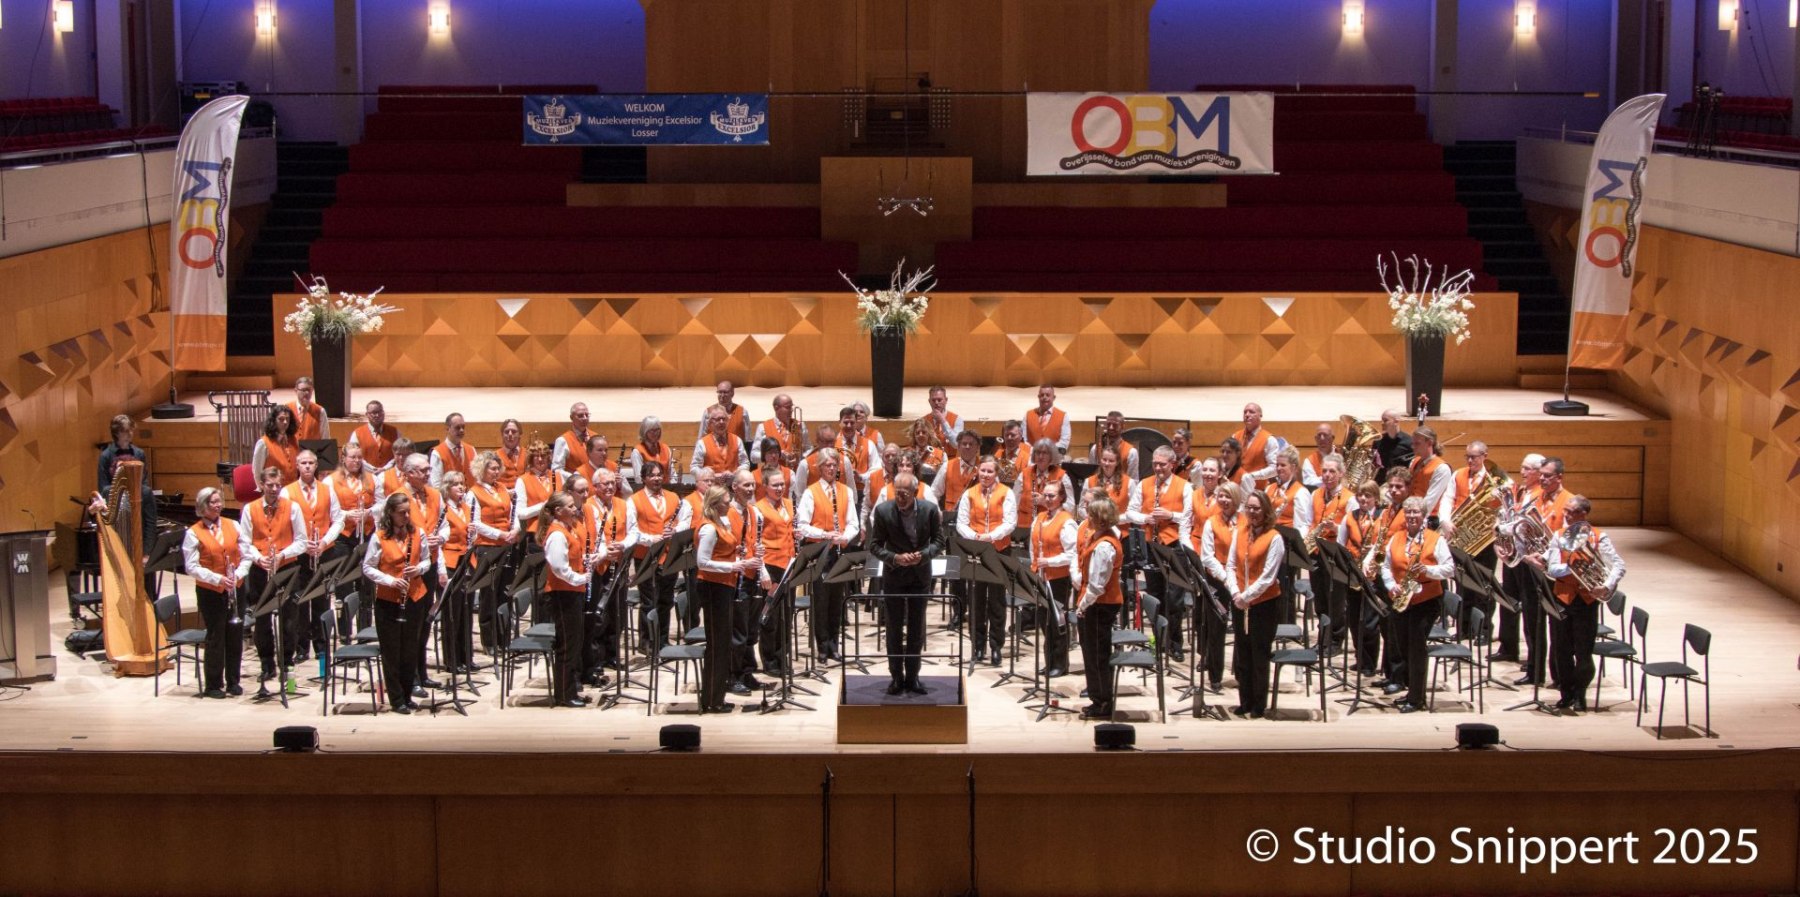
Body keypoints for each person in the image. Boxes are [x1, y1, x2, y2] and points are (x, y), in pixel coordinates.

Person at [867, 472, 946, 695]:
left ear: (915, 492)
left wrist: (924, 555)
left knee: (916, 627)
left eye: (905, 494)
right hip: (894, 575)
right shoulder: (883, 511)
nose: (900, 498)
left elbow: (939, 541)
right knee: (893, 628)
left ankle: (912, 677)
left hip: (920, 575)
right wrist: (894, 558)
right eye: (897, 493)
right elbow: (874, 546)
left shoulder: (930, 510)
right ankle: (896, 677)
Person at [1543, 495, 1625, 713]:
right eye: (1566, 511)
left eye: (1571, 512)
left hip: (1587, 601)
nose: (1566, 515)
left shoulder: (1599, 537)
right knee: (1561, 650)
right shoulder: (1558, 536)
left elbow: (1618, 565)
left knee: (1583, 652)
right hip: (1562, 599)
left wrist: (1606, 586)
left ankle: (1580, 694)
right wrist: (1576, 567)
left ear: (1583, 514)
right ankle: (1566, 693)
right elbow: (1552, 569)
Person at [362, 493, 440, 714]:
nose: (406, 516)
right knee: (392, 652)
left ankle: (407, 695)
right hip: (388, 600)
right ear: (390, 513)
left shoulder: (418, 533)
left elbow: (426, 560)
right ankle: (397, 700)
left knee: (410, 650)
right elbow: (367, 567)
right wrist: (390, 581)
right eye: (401, 513)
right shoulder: (379, 537)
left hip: (415, 597)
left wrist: (419, 569)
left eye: (408, 512)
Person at [1379, 496, 1454, 713]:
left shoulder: (1435, 539)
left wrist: (1427, 570)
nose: (1412, 516)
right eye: (1408, 512)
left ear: (1424, 515)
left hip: (1426, 600)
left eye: (1416, 512)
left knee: (1416, 647)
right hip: (1402, 599)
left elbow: (1449, 568)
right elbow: (1385, 566)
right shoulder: (1396, 537)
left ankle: (1417, 698)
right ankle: (1411, 690)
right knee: (1403, 646)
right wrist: (1391, 585)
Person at [239, 466, 308, 696]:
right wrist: (259, 558)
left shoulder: (292, 507)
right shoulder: (250, 509)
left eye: (278, 485)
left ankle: (287, 662)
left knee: (289, 618)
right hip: (260, 570)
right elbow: (245, 542)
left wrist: (282, 555)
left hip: (286, 568)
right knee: (262, 619)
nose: (275, 489)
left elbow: (302, 541)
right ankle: (266, 663)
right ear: (261, 485)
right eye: (270, 485)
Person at [182, 487, 253, 699]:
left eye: (219, 501)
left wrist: (237, 575)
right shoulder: (193, 533)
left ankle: (233, 681)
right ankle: (213, 684)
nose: (218, 505)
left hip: (236, 587)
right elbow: (191, 567)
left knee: (235, 635)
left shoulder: (234, 525)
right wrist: (218, 579)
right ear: (202, 506)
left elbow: (246, 555)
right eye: (213, 502)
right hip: (210, 592)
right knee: (216, 636)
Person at [1124, 446, 1194, 659]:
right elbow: (1131, 512)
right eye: (1155, 463)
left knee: (1174, 598)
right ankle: (1158, 641)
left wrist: (1170, 515)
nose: (1157, 468)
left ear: (1172, 464)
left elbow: (1190, 516)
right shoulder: (1145, 484)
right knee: (1155, 595)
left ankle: (1174, 643)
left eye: (1162, 464)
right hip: (1151, 546)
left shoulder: (1185, 486)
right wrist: (1146, 518)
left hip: (1174, 546)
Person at [694, 485, 759, 711]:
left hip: (723, 586)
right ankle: (711, 701)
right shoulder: (708, 529)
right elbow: (702, 562)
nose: (729, 504)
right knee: (717, 645)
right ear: (714, 504)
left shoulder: (721, 523)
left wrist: (740, 558)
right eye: (725, 501)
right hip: (712, 588)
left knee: (723, 644)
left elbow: (724, 552)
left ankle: (717, 697)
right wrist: (733, 566)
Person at [1226, 490, 1286, 718]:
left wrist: (1246, 597)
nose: (1251, 512)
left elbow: (1268, 577)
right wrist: (1235, 592)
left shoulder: (1275, 538)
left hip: (1264, 604)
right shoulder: (1240, 532)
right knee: (1242, 653)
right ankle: (1245, 701)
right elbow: (1231, 565)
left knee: (1259, 654)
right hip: (1240, 600)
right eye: (1249, 508)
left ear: (1266, 511)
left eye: (1256, 508)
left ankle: (1259, 705)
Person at [797, 449, 859, 661]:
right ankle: (822, 646)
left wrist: (844, 537)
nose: (831, 469)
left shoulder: (846, 491)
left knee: (836, 599)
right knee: (821, 600)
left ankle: (834, 644)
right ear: (819, 468)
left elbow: (853, 523)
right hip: (819, 552)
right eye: (827, 465)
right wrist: (825, 535)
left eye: (834, 465)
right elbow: (802, 526)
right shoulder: (810, 492)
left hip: (839, 551)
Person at [283, 449, 344, 663]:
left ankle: (321, 645)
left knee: (322, 599)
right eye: (303, 463)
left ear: (316, 465)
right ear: (297, 466)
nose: (307, 466)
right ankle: (302, 647)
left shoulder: (327, 490)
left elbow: (338, 520)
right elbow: (284, 524)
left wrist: (324, 542)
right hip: (300, 554)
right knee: (300, 601)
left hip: (324, 551)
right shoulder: (287, 492)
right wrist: (302, 545)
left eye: (311, 463)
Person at [955, 456, 1016, 665]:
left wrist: (991, 536)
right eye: (983, 470)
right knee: (976, 599)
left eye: (990, 471)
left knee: (997, 600)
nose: (986, 475)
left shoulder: (1006, 493)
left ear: (996, 473)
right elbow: (961, 523)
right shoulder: (969, 494)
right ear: (978, 471)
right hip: (976, 551)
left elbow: (1010, 522)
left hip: (999, 550)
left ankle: (996, 646)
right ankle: (978, 645)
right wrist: (975, 537)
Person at [579, 469, 636, 682]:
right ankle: (596, 659)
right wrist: (605, 552)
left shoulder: (623, 504)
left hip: (618, 563)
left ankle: (612, 655)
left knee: (616, 612)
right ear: (595, 487)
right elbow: (591, 535)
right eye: (605, 484)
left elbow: (634, 531)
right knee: (598, 615)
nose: (610, 487)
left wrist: (622, 545)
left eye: (613, 483)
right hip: (598, 566)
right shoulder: (587, 506)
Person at [539, 492, 594, 707]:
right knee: (567, 645)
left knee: (574, 643)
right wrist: (580, 578)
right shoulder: (556, 534)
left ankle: (571, 691)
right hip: (562, 594)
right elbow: (559, 568)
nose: (574, 509)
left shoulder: (568, 529)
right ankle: (564, 695)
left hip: (572, 591)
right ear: (558, 511)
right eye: (570, 506)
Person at [1073, 496, 1123, 719]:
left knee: (1097, 655)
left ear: (1100, 519)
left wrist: (1082, 606)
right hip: (1095, 604)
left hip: (1099, 605)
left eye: (1091, 514)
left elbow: (1097, 585)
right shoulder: (1098, 537)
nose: (1087, 517)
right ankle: (1097, 699)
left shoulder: (1104, 546)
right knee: (1091, 652)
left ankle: (1103, 703)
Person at [1494, 452, 1546, 663]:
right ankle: (1508, 648)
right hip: (1513, 554)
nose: (1522, 472)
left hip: (1529, 558)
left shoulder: (1541, 494)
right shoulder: (1522, 490)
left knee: (1530, 610)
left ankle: (1534, 661)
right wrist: (1499, 542)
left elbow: (1523, 524)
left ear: (1539, 472)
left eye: (1527, 469)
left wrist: (1502, 529)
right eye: (1522, 467)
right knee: (1508, 601)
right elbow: (1507, 514)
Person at [630, 460, 681, 660]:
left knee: (666, 600)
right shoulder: (634, 500)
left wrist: (675, 531)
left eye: (659, 474)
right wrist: (653, 539)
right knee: (649, 601)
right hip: (646, 556)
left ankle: (663, 639)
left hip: (669, 556)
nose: (657, 478)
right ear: (644, 478)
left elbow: (684, 521)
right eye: (652, 475)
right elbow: (633, 531)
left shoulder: (673, 497)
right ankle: (647, 642)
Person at [1027, 479, 1077, 678]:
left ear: (1061, 497)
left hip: (1059, 579)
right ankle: (1049, 661)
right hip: (1040, 577)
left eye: (1052, 496)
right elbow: (1033, 546)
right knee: (1044, 621)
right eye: (1045, 495)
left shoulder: (1067, 521)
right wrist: (1035, 566)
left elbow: (1072, 554)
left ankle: (1060, 663)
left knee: (1058, 622)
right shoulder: (1039, 517)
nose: (1047, 499)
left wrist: (1049, 561)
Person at [932, 429, 983, 628]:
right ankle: (958, 611)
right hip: (952, 526)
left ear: (978, 447)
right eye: (963, 444)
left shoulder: (984, 468)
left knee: (975, 572)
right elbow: (933, 493)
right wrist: (938, 512)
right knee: (956, 571)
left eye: (971, 444)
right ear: (958, 446)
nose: (967, 447)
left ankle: (976, 611)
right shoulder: (948, 466)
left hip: (976, 526)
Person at [1196, 482, 1244, 694]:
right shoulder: (1211, 522)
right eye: (1221, 496)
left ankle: (1241, 673)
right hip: (1217, 580)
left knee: (1242, 629)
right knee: (1216, 630)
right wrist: (1226, 578)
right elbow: (1207, 556)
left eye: (1228, 496)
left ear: (1237, 499)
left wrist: (1234, 580)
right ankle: (1215, 677)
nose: (1224, 500)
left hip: (1241, 581)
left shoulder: (1245, 522)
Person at [726, 470, 771, 694]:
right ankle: (732, 676)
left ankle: (745, 672)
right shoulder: (726, 514)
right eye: (746, 485)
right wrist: (742, 561)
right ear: (734, 487)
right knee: (738, 632)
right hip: (735, 579)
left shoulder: (754, 513)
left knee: (751, 630)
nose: (751, 489)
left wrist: (763, 571)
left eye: (753, 485)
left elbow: (756, 546)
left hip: (752, 577)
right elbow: (725, 549)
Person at [754, 465, 797, 673]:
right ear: (765, 486)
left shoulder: (789, 503)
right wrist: (762, 571)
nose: (780, 488)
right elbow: (755, 542)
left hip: (789, 565)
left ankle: (782, 658)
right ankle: (769, 661)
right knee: (770, 616)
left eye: (782, 484)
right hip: (771, 566)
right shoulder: (758, 509)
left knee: (786, 614)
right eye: (775, 485)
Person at [1014, 438, 1075, 533]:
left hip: (1052, 527)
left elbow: (1070, 507)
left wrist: (1045, 502)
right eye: (1038, 453)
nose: (1040, 456)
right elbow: (1014, 503)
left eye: (1045, 453)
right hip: (1024, 528)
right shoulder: (1024, 474)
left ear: (1051, 456)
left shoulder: (1062, 476)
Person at [513, 437, 564, 535]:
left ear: (548, 457)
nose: (540, 459)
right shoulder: (522, 480)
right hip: (536, 532)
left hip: (559, 529)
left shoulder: (558, 476)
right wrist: (544, 506)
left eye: (543, 455)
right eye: (536, 456)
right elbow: (520, 513)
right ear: (531, 459)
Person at [1406, 426, 1455, 525]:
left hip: (1428, 519)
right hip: (1410, 513)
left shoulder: (1442, 469)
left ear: (1429, 443)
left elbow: (1430, 501)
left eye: (1417, 443)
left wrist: (1415, 518)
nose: (1413, 447)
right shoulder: (1414, 461)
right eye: (1413, 443)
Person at [692, 404, 750, 477]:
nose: (721, 422)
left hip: (733, 482)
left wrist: (734, 473)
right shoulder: (702, 443)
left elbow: (745, 463)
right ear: (710, 423)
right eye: (718, 419)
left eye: (724, 419)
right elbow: (694, 467)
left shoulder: (737, 440)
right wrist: (711, 476)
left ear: (728, 421)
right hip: (710, 483)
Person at [1231, 403, 1279, 488]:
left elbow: (1274, 468)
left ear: (1260, 415)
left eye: (1251, 412)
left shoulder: (1269, 440)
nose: (1247, 415)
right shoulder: (1235, 436)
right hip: (1235, 489)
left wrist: (1252, 476)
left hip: (1257, 490)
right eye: (1245, 412)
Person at [251, 404, 301, 485]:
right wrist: (262, 489)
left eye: (287, 419)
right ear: (274, 421)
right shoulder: (263, 443)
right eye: (281, 419)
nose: (285, 422)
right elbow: (257, 472)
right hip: (274, 489)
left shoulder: (294, 440)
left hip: (293, 488)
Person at [754, 393, 808, 467]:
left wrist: (801, 458)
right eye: (788, 407)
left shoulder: (800, 425)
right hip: (772, 472)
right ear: (776, 408)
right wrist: (775, 455)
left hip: (795, 472)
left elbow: (809, 449)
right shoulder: (762, 427)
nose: (791, 410)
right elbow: (753, 456)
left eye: (791, 407)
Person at [347, 400, 398, 471]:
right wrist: (372, 469)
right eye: (373, 413)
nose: (377, 415)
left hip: (389, 473)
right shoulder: (357, 434)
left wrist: (385, 468)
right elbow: (353, 456)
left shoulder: (395, 432)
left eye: (379, 412)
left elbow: (399, 454)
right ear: (367, 414)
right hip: (365, 474)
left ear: (383, 413)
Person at [429, 413, 477, 489]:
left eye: (463, 427)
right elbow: (436, 485)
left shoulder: (471, 449)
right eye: (457, 427)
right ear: (447, 429)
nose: (461, 430)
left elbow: (478, 477)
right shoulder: (437, 453)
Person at [1084, 444, 1132, 517]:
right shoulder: (1089, 481)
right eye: (1104, 460)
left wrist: (1112, 520)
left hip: (1120, 523)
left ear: (1117, 462)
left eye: (1111, 461)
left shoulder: (1129, 482)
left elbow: (1132, 511)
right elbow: (1082, 507)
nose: (1107, 463)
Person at [704, 379, 755, 448]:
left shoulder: (742, 412)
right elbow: (701, 437)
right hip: (713, 452)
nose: (722, 395)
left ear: (732, 393)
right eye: (720, 392)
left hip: (736, 452)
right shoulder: (708, 412)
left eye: (725, 392)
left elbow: (747, 439)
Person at [628, 416, 675, 487]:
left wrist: (673, 488)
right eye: (652, 430)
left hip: (667, 489)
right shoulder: (637, 451)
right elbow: (639, 479)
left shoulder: (666, 448)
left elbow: (672, 474)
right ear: (644, 432)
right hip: (648, 490)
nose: (655, 433)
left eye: (657, 430)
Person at [1025, 384, 1070, 456]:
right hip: (1032, 457)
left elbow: (1064, 441)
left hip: (1054, 458)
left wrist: (1047, 452)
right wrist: (1034, 452)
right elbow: (1024, 439)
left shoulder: (1063, 416)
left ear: (1054, 397)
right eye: (1042, 395)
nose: (1044, 397)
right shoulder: (1028, 415)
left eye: (1048, 395)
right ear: (1038, 397)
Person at [553, 402, 594, 474]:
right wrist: (575, 477)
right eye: (580, 415)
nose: (585, 418)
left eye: (587, 415)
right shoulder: (563, 440)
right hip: (574, 480)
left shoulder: (595, 437)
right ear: (571, 417)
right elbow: (556, 469)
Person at [287, 377, 329, 441]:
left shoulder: (320, 411)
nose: (307, 393)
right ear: (296, 391)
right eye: (303, 390)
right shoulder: (287, 409)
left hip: (313, 447)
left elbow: (325, 438)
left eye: (309, 390)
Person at [1373, 409, 1415, 474]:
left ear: (1396, 422)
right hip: (1380, 479)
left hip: (1399, 478)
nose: (1382, 423)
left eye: (1385, 420)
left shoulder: (1409, 442)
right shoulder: (1378, 441)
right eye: (1382, 420)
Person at [494, 419, 528, 493]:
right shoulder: (494, 456)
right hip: (502, 495)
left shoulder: (527, 454)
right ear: (502, 435)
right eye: (506, 432)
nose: (510, 434)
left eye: (514, 431)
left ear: (520, 435)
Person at [1300, 423, 1336, 490]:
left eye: (1325, 435)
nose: (1322, 438)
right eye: (1319, 435)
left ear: (1332, 438)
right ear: (1316, 439)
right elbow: (1308, 482)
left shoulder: (1343, 455)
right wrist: (1331, 478)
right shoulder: (1309, 461)